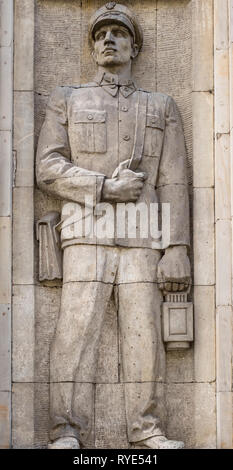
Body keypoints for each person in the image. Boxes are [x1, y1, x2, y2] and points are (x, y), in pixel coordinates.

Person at [36, 2, 191, 449]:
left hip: (143, 234)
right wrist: (103, 186)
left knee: (144, 336)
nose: (108, 39)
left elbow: (175, 181)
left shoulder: (161, 106)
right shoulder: (69, 98)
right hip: (85, 230)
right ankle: (66, 430)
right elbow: (46, 167)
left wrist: (176, 246)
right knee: (74, 333)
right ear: (91, 47)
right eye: (101, 33)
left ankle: (148, 430)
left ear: (134, 45)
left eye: (118, 33)